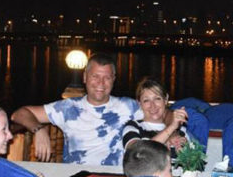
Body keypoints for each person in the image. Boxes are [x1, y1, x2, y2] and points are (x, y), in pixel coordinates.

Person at [11, 53, 139, 165]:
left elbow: (157, 114)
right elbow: (18, 114)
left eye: (107, 77)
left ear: (113, 80)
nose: (101, 83)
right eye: (95, 76)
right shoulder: (68, 108)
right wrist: (39, 130)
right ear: (84, 77)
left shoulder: (128, 106)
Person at [122, 77, 188, 154]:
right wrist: (171, 128)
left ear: (166, 99)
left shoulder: (180, 130)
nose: (152, 106)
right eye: (146, 100)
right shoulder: (132, 127)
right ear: (139, 103)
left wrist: (186, 151)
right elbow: (137, 153)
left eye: (157, 98)